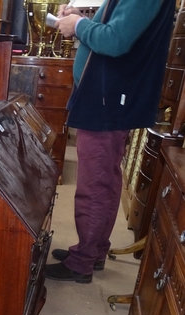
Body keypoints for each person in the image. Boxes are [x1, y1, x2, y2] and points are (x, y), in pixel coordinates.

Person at [45, 0, 175, 284]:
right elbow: (116, 31)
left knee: (94, 183)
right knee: (105, 177)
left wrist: (78, 25)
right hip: (109, 94)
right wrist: (81, 21)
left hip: (108, 97)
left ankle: (82, 262)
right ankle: (94, 251)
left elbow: (115, 41)